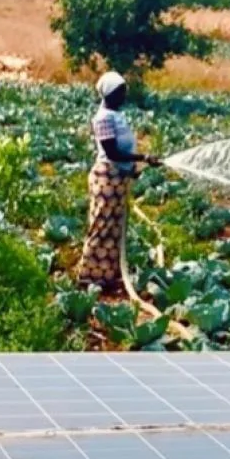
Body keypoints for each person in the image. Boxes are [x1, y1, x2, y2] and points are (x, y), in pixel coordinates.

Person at [76, 71, 160, 293]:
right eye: (120, 92)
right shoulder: (103, 118)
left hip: (118, 178)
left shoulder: (116, 115)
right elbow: (112, 152)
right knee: (102, 225)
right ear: (109, 93)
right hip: (107, 178)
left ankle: (106, 276)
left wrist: (132, 169)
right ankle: (88, 276)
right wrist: (143, 158)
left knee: (114, 227)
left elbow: (122, 151)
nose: (124, 96)